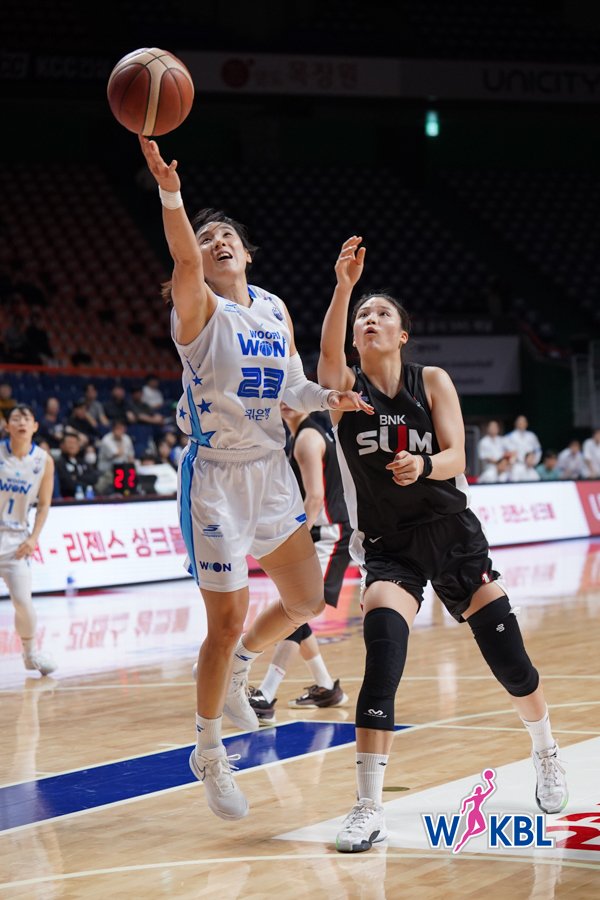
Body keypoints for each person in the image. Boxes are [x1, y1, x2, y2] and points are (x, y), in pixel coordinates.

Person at [138, 136, 372, 822]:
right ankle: (208, 749)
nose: (216, 241)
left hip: (270, 472)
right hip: (215, 479)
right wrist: (171, 192)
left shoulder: (272, 307)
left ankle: (243, 664)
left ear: (246, 252)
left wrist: (327, 398)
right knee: (225, 620)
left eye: (227, 236)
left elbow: (293, 385)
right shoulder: (197, 309)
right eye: (207, 237)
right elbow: (184, 256)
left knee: (306, 600)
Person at [318, 236, 567, 854]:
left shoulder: (430, 380)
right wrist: (344, 287)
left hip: (453, 535)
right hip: (390, 548)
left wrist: (422, 466)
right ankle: (368, 806)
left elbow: (457, 456)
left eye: (381, 313)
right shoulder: (345, 393)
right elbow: (324, 361)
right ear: (355, 338)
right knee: (382, 658)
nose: (370, 319)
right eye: (362, 316)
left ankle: (545, 751)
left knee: (510, 663)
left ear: (402, 335)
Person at [249, 403, 352, 723]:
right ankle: (326, 687)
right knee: (297, 610)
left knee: (297, 610)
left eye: (293, 396)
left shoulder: (307, 438)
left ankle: (266, 693)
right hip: (325, 530)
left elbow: (315, 497)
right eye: (281, 396)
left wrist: (295, 538)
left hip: (327, 533)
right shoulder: (302, 435)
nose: (285, 401)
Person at [0, 405, 56, 675]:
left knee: (23, 602)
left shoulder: (44, 460)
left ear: (35, 426)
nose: (21, 422)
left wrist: (34, 538)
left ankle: (30, 655)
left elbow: (44, 505)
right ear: (7, 426)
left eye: (26, 419)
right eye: (15, 418)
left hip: (17, 542)